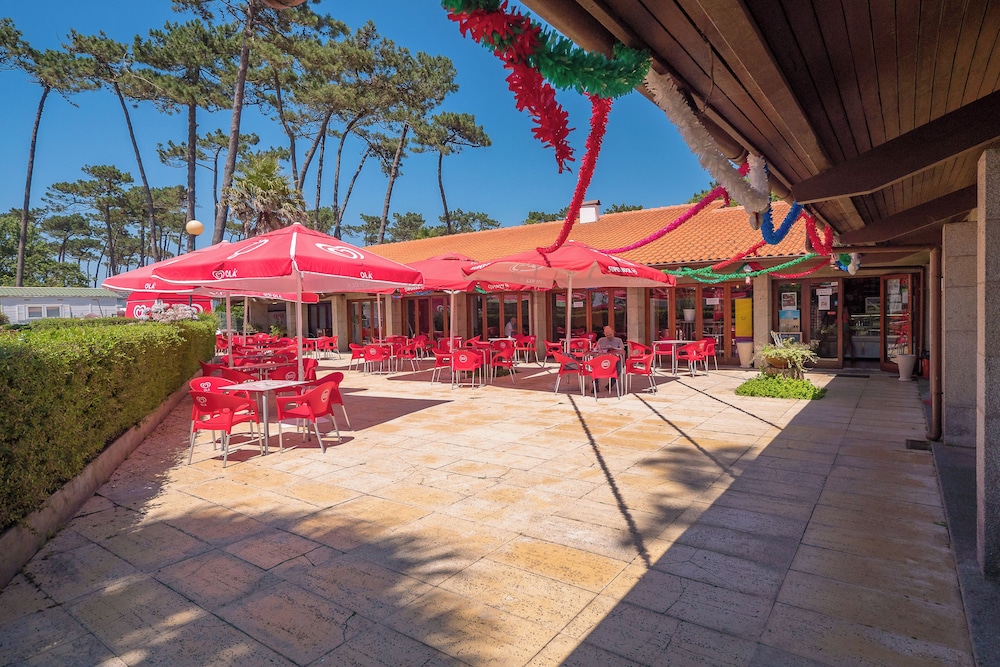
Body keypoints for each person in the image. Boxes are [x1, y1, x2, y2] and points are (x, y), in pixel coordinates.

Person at [595, 325, 624, 390]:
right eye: (607, 335)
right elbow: (596, 350)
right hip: (603, 359)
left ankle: (611, 383)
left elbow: (622, 350)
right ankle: (595, 385)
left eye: (610, 334)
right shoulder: (601, 340)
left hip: (614, 359)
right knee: (594, 366)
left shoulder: (618, 340)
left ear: (613, 332)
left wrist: (616, 350)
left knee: (619, 368)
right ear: (604, 334)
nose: (609, 336)